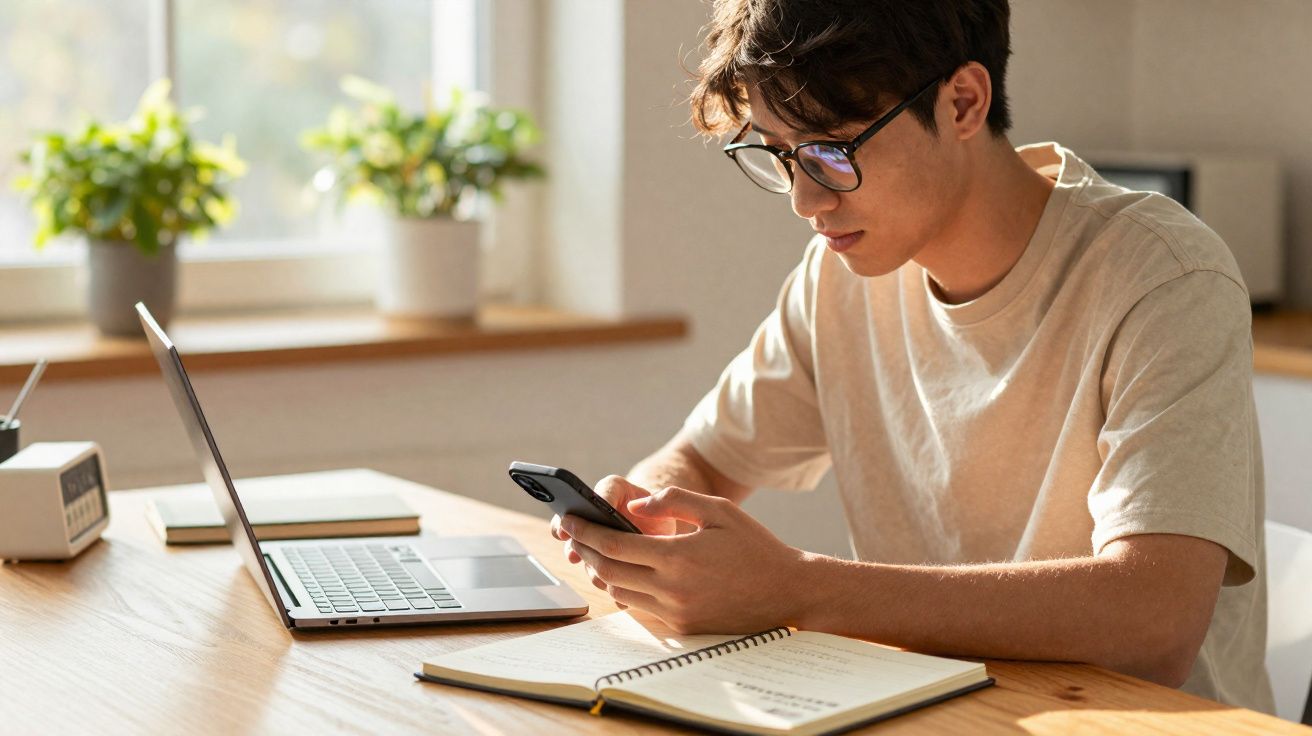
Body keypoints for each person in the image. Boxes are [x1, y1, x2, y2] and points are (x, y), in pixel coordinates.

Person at [551, 0, 1273, 713]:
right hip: (934, 714)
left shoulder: (1165, 277)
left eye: (833, 151)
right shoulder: (836, 277)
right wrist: (650, 525)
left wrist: (796, 587)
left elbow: (1153, 619)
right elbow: (700, 462)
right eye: (778, 155)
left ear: (963, 102)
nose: (804, 198)